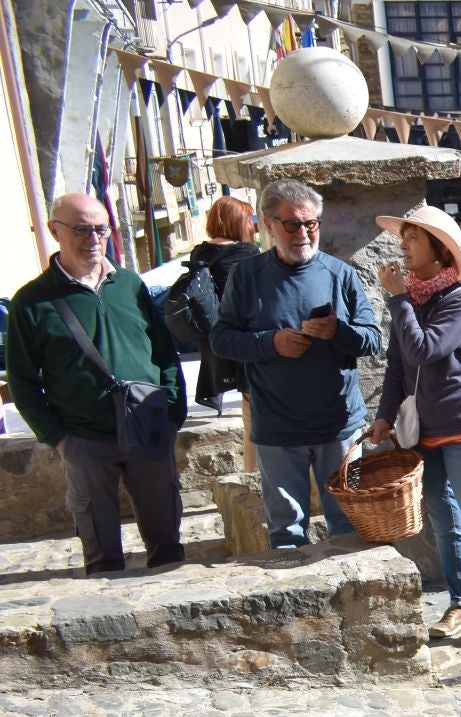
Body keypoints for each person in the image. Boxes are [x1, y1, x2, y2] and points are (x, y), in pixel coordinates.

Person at [6, 192, 187, 574]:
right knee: (101, 551)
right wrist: (58, 437)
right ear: (56, 231)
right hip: (84, 437)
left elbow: (164, 353)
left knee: (168, 544)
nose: (93, 239)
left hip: (149, 426)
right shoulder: (33, 301)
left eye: (101, 229)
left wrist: (173, 413)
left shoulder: (130, 285)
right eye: (81, 229)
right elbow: (22, 381)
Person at [367, 203, 461, 647]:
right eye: (405, 237)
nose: (403, 245)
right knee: (442, 521)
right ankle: (460, 604)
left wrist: (396, 298)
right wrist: (383, 415)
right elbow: (397, 365)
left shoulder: (460, 300)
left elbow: (423, 351)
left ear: (439, 249)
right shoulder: (411, 301)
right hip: (424, 430)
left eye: (413, 238)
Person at [212, 178, 383, 548]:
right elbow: (221, 339)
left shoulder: (341, 274)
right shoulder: (247, 276)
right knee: (286, 534)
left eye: (311, 224)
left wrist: (337, 331)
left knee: (350, 525)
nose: (303, 233)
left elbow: (373, 340)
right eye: (292, 224)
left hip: (339, 428)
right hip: (278, 429)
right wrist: (270, 342)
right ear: (269, 225)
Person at [187, 195, 260, 410]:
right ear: (237, 221)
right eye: (248, 218)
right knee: (251, 397)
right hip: (241, 328)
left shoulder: (198, 252)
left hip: (211, 325)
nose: (251, 223)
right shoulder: (246, 253)